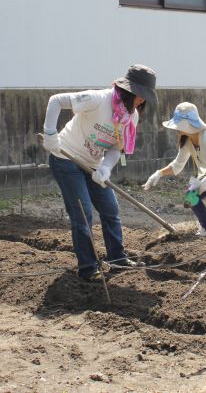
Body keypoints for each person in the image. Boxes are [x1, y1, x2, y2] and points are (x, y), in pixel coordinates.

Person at [41, 64, 157, 282]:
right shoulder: (98, 99)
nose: (142, 101)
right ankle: (88, 267)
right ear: (128, 91)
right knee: (83, 213)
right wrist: (50, 134)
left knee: (110, 209)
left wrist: (105, 168)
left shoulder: (130, 117)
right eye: (140, 95)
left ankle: (117, 258)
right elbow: (56, 101)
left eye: (145, 97)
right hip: (66, 158)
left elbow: (116, 148)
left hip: (93, 163)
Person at [142, 102, 206, 238]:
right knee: (190, 197)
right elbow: (177, 164)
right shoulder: (187, 141)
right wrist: (159, 173)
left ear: (188, 125)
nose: (177, 129)